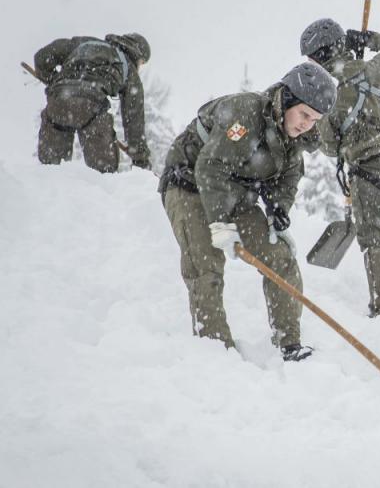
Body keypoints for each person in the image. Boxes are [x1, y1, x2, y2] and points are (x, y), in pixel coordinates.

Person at [158, 62, 337, 361]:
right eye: (304, 114)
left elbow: (290, 176)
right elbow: (209, 167)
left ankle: (289, 344)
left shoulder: (297, 136)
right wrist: (219, 223)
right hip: (188, 184)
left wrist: (279, 211)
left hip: (236, 194)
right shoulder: (244, 114)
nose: (307, 124)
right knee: (206, 264)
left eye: (314, 119)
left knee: (280, 257)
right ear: (287, 99)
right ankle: (216, 353)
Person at [300, 18, 380, 323]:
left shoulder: (327, 93)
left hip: (366, 172)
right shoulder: (374, 71)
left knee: (374, 242)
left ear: (319, 56)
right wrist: (369, 39)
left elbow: (331, 146)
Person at [33, 33, 152, 172]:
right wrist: (140, 158)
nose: (139, 67)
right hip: (91, 110)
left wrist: (56, 83)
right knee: (103, 177)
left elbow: (42, 57)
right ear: (137, 55)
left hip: (58, 104)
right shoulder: (129, 69)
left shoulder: (83, 43)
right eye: (141, 63)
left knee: (51, 173)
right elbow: (134, 119)